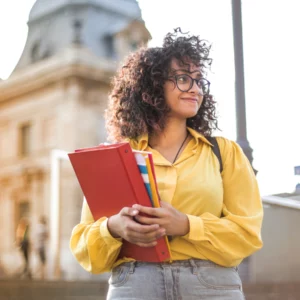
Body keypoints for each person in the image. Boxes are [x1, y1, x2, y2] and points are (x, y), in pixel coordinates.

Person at [70, 28, 263, 299]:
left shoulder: (224, 153)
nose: (195, 88)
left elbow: (248, 233)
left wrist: (186, 225)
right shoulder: (115, 158)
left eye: (199, 80)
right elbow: (86, 248)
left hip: (211, 286)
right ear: (153, 86)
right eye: (183, 78)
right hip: (135, 284)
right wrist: (114, 227)